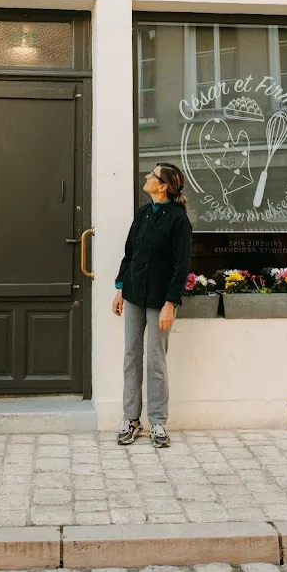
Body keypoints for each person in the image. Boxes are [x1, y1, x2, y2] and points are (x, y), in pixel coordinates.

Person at [112, 162, 192, 448]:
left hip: (160, 300)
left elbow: (181, 266)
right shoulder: (143, 213)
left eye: (152, 175)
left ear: (164, 186)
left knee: (155, 360)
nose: (147, 177)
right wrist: (121, 287)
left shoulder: (178, 220)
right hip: (134, 294)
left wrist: (171, 303)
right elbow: (130, 253)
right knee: (131, 356)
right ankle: (130, 419)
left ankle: (158, 422)